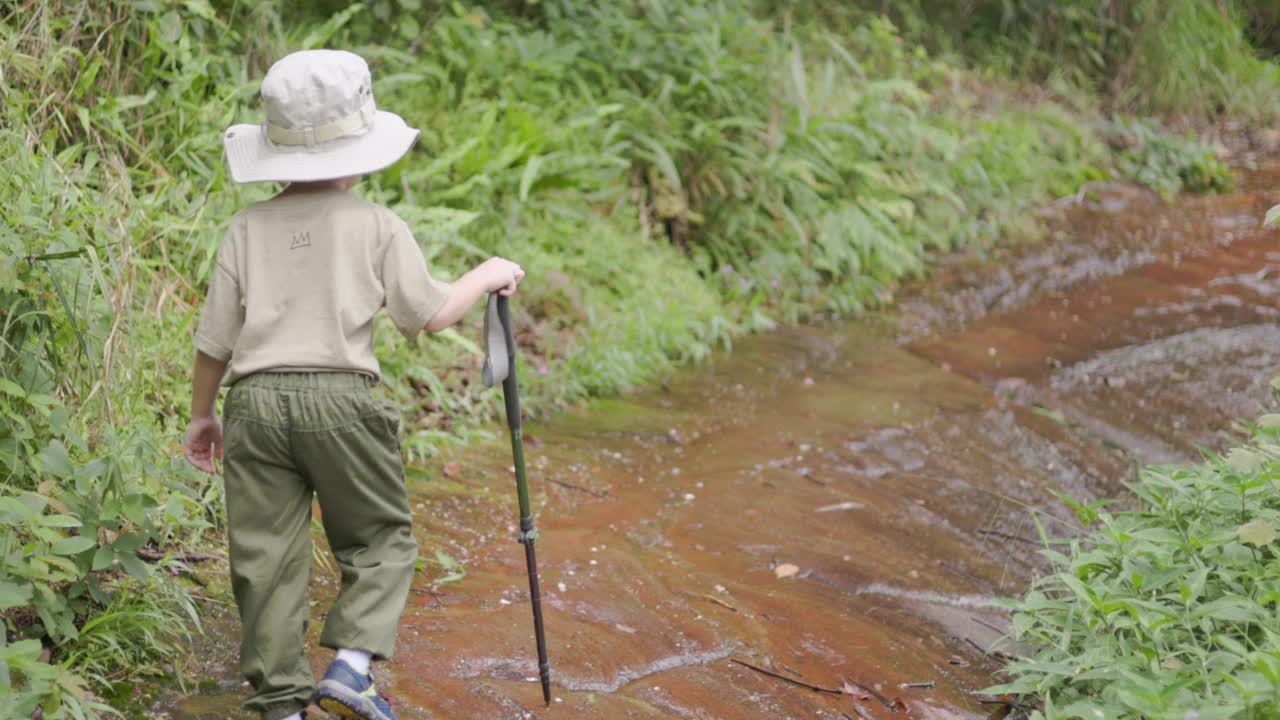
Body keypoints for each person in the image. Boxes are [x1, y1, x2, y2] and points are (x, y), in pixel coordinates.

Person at [183, 49, 524, 720]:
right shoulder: (377, 226)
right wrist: (486, 274)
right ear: (363, 151)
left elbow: (213, 341)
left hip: (253, 404)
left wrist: (202, 416)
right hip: (343, 401)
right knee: (379, 539)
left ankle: (280, 702)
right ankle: (350, 667)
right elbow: (431, 315)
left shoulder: (244, 230)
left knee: (265, 558)